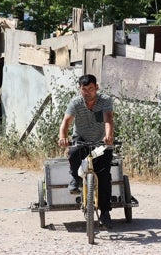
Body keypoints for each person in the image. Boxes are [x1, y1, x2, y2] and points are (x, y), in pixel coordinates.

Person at [58, 74, 115, 229]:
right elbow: (66, 122)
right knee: (73, 152)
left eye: (91, 89)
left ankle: (105, 213)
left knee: (104, 177)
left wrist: (109, 136)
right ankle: (75, 179)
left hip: (100, 143)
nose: (88, 92)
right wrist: (63, 137)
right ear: (80, 89)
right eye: (84, 89)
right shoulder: (75, 103)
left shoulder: (105, 101)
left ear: (96, 87)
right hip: (81, 140)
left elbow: (108, 119)